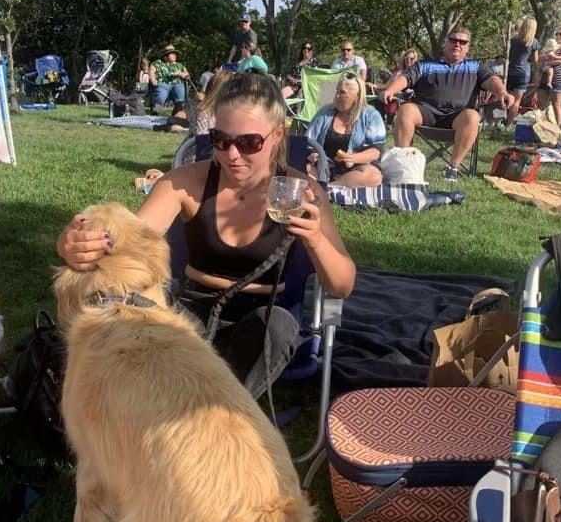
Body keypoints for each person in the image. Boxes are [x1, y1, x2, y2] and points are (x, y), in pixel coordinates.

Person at [56, 73, 356, 399]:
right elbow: (129, 243)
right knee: (143, 316)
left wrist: (315, 239)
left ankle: (219, 412)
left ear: (278, 135)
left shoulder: (303, 193)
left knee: (279, 328)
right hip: (191, 313)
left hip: (260, 320)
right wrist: (72, 246)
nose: (232, 155)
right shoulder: (187, 183)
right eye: (220, 139)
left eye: (249, 142)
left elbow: (341, 285)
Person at [381, 27, 513, 181]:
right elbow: (406, 78)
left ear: (467, 47)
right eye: (453, 40)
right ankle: (404, 165)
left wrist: (502, 92)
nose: (457, 44)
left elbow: (492, 80)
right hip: (426, 114)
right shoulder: (425, 65)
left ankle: (452, 168)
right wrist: (390, 90)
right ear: (446, 43)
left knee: (472, 117)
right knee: (406, 110)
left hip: (457, 118)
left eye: (462, 42)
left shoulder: (475, 66)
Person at [306, 72, 386, 188]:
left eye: (342, 92)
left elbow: (375, 151)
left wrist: (353, 158)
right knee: (303, 168)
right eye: (337, 91)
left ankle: (330, 187)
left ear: (356, 96)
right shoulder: (325, 112)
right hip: (323, 164)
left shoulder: (371, 115)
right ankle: (327, 185)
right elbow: (308, 142)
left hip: (355, 167)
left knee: (374, 176)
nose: (337, 95)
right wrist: (317, 158)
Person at [537, 25, 561, 128]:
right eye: (557, 33)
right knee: (542, 103)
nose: (558, 36)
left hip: (560, 78)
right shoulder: (552, 46)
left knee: (556, 104)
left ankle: (559, 128)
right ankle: (542, 126)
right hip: (546, 77)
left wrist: (550, 60)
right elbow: (539, 58)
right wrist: (549, 59)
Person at [505, 16, 539, 127]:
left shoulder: (513, 40)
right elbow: (535, 61)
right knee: (516, 102)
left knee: (508, 99)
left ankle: (501, 122)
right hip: (524, 73)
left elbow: (507, 56)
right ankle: (509, 125)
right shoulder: (533, 43)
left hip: (511, 71)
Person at [149, 45, 191, 111]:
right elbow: (152, 70)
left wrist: (181, 74)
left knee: (181, 99)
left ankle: (179, 113)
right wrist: (153, 80)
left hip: (177, 84)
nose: (174, 55)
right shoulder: (158, 63)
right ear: (165, 56)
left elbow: (187, 74)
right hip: (163, 83)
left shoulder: (179, 65)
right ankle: (156, 112)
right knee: (160, 96)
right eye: (172, 53)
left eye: (175, 54)